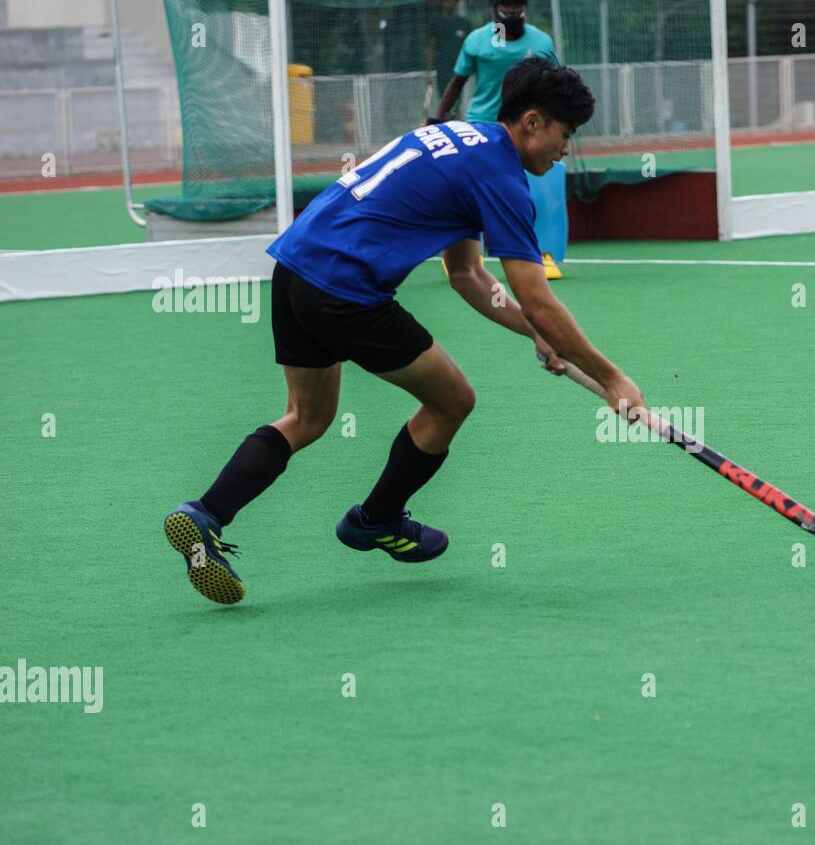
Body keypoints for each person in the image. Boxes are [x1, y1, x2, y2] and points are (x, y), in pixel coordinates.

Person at [164, 58, 645, 605]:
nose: (566, 150)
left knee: (308, 416)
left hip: (296, 269)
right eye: (566, 134)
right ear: (533, 122)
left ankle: (204, 515)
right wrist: (612, 379)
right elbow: (538, 296)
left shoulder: (456, 138)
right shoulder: (503, 179)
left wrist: (531, 332)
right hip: (347, 289)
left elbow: (466, 274)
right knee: (453, 400)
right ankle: (377, 518)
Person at [430, 0, 568, 279]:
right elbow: (458, 81)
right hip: (483, 126)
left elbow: (554, 83)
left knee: (533, 188)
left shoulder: (541, 42)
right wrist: (439, 115)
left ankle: (543, 254)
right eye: (506, 5)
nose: (513, 11)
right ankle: (462, 255)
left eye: (518, 5)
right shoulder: (477, 41)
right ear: (494, 8)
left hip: (527, 128)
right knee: (471, 190)